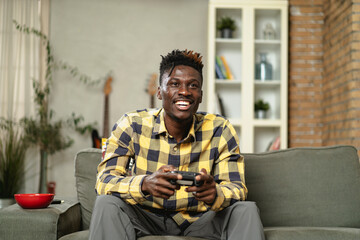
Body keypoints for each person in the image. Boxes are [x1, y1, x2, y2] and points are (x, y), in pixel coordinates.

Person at [89, 49, 265, 240]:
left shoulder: (220, 129)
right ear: (159, 92)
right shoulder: (131, 124)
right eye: (174, 84)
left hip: (201, 220)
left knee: (246, 209)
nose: (184, 91)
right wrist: (144, 184)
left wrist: (216, 192)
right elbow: (104, 181)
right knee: (106, 203)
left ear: (200, 95)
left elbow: (237, 188)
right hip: (145, 217)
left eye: (193, 85)